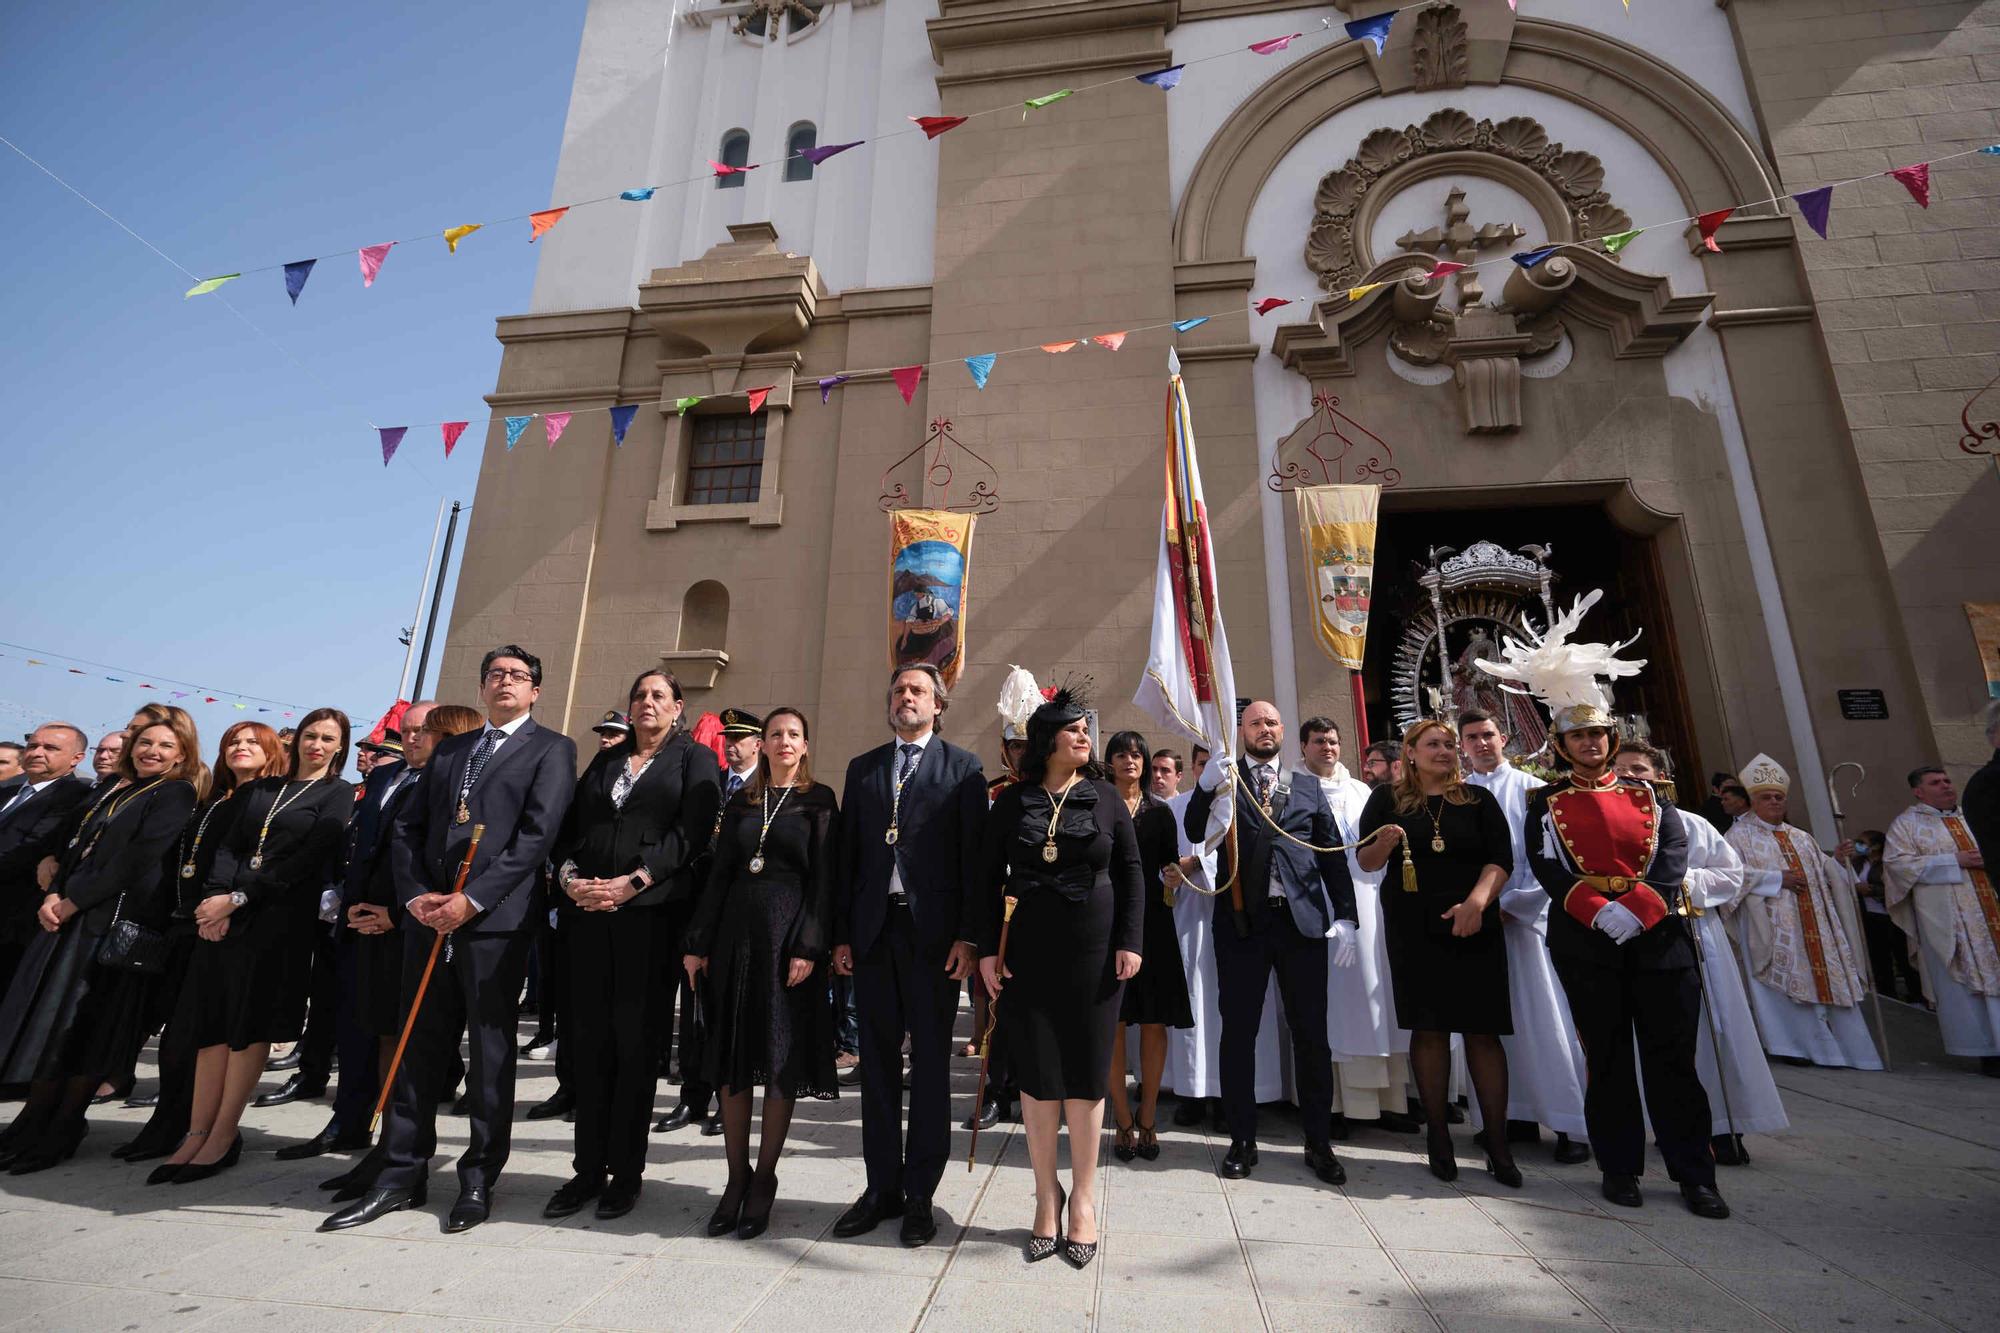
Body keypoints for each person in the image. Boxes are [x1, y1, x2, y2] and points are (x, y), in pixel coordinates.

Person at [1476, 594, 1724, 1217]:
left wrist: (1639, 908)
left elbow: (1671, 857)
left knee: (1673, 1061)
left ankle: (1695, 1173)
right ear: (1561, 744)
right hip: (1587, 943)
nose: (1589, 743)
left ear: (1612, 738)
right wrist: (1594, 911)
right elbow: (1548, 866)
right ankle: (1620, 1167)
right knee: (1607, 1058)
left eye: (1597, 734)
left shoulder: (1651, 796)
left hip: (1660, 940)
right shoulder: (1545, 804)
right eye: (1577, 735)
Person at [324, 646, 576, 1234]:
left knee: (489, 1052)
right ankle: (401, 1174)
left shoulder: (551, 749)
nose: (505, 683)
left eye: (517, 676)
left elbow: (536, 837)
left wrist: (474, 898)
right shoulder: (452, 749)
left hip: (494, 920)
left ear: (535, 691)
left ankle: (479, 1175)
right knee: (418, 1044)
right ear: (483, 688)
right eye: (495, 675)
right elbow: (409, 828)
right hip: (430, 916)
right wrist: (415, 897)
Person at [545, 670, 721, 1221]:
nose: (647, 703)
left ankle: (625, 1172)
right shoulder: (607, 758)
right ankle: (586, 1171)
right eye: (639, 696)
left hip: (649, 917)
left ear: (677, 707)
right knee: (588, 1042)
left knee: (634, 1044)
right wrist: (571, 879)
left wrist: (634, 882)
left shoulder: (694, 760)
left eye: (658, 696)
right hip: (588, 915)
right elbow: (570, 829)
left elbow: (691, 834)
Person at [976, 687, 1142, 1266]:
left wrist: (1131, 941)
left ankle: (1084, 1202)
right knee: (1040, 1077)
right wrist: (985, 954)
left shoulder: (1104, 796)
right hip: (1027, 955)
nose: (1084, 737)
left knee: (1086, 1076)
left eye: (1086, 729)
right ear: (1046, 741)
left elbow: (1130, 870)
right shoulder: (1010, 801)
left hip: (1096, 956)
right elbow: (983, 879)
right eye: (1072, 729)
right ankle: (1046, 1197)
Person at [150, 712, 353, 1185]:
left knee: (247, 1026)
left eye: (328, 739)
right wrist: (215, 903)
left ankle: (223, 1134)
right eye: (310, 736)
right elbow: (228, 848)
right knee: (212, 1027)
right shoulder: (262, 790)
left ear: (340, 747)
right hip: (225, 916)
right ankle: (195, 1133)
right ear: (296, 740)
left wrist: (240, 897)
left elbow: (308, 858)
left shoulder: (338, 794)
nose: (317, 745)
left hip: (279, 921)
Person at [0, 716, 202, 1172]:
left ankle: (64, 1126)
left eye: (164, 745)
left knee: (85, 1032)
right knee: (51, 1031)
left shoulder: (174, 793)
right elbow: (74, 844)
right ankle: (32, 1120)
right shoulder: (120, 788)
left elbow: (135, 861)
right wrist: (54, 889)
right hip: (71, 919)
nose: (151, 750)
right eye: (145, 742)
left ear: (182, 754)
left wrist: (74, 901)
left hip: (107, 927)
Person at [830, 665, 985, 1248]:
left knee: (929, 1070)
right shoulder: (864, 768)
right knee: (875, 1066)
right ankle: (880, 1189)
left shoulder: (962, 768)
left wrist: (969, 938)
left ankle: (921, 1192)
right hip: (873, 936)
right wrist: (842, 934)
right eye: (897, 691)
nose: (906, 698)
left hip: (934, 942)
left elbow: (974, 861)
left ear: (938, 705)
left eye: (917, 691)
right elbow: (848, 858)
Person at [1185, 700, 1358, 1186]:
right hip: (1242, 925)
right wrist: (1202, 787)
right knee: (1238, 1034)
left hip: (1301, 926)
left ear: (1285, 731)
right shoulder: (1225, 781)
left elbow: (1331, 855)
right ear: (1241, 730)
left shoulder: (1306, 785)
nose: (1266, 729)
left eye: (1273, 722)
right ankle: (1242, 1139)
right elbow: (1195, 831)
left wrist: (1345, 915)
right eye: (1256, 723)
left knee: (1311, 1037)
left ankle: (1318, 1143)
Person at [684, 707, 837, 1238]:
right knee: (732, 1055)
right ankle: (735, 1176)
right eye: (776, 735)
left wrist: (809, 946)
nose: (784, 742)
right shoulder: (741, 800)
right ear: (763, 745)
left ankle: (766, 1177)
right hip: (734, 940)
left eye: (794, 734)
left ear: (806, 745)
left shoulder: (819, 801)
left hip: (787, 941)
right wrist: (698, 943)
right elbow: (720, 875)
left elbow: (823, 882)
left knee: (776, 1057)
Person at [1355, 719, 1518, 1186]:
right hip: (1414, 930)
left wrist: (1477, 904)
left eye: (1450, 745)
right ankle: (1439, 1137)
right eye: (1434, 745)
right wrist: (1382, 846)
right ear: (1410, 752)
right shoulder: (1386, 799)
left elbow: (1500, 858)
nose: (1445, 751)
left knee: (1483, 1033)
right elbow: (1365, 862)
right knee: (1428, 1029)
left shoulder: (1478, 800)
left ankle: (1498, 1143)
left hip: (1474, 924)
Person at [1613, 741, 1788, 1164]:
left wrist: (1673, 883)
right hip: (1636, 940)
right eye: (1621, 769)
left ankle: (1726, 1126)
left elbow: (1730, 876)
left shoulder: (1691, 824)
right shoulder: (1609, 826)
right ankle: (1672, 1124)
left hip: (1695, 934)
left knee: (1715, 1031)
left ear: (1659, 775)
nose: (1631, 776)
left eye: (1639, 768)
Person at [277, 705, 430, 1161]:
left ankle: (391, 1140)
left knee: (393, 1037)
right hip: (358, 922)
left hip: (404, 925)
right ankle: (347, 1121)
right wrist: (345, 898)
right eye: (408, 731)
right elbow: (361, 847)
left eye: (424, 731)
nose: (413, 738)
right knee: (355, 1030)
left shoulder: (445, 781)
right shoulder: (386, 778)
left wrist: (396, 913)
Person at [1458, 709, 1590, 1165]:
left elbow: (1550, 855)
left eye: (1488, 735)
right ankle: (1510, 1117)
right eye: (1471, 737)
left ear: (1505, 737)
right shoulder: (1461, 794)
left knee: (1544, 1021)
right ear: (1462, 744)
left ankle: (1569, 1121)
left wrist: (1514, 905)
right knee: (1493, 1024)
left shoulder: (1533, 791)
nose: (1480, 743)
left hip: (1529, 922)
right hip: (1479, 925)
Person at [1724, 755, 1881, 1070]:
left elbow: (1829, 876)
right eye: (1766, 797)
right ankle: (1790, 1045)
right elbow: (1730, 877)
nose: (1773, 802)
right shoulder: (1737, 837)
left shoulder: (1803, 837)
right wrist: (1775, 879)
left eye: (1778, 797)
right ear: (1752, 801)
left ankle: (1843, 1050)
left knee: (1828, 980)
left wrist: (1837, 861)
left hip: (1817, 927)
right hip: (1773, 927)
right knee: (1780, 985)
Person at [1303, 715, 1417, 1139]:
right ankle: (1330, 1102)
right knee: (1330, 1003)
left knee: (1376, 999)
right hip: (1321, 907)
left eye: (1332, 740)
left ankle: (1385, 1102)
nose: (1328, 748)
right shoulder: (1295, 792)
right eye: (1318, 741)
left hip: (1370, 904)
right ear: (1304, 748)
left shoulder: (1362, 791)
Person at [1163, 741, 1284, 1131]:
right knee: (1195, 1007)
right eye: (1200, 764)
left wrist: (1199, 861)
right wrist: (1170, 870)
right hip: (1190, 918)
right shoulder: (1177, 807)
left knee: (1234, 1013)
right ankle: (1193, 1092)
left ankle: (1235, 1097)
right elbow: (1160, 852)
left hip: (1239, 918)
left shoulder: (1245, 798)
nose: (1205, 770)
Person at [655, 708, 760, 1137]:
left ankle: (729, 1099)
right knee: (695, 1010)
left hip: (740, 916)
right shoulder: (709, 783)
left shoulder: (764, 790)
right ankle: (692, 1097)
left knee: (732, 1014)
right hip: (698, 912)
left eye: (740, 738)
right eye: (727, 738)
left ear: (758, 744)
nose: (731, 745)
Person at [1101, 729, 1190, 1162]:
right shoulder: (1095, 803)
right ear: (1109, 761)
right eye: (1121, 754)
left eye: (1136, 755)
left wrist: (1173, 873)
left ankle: (1149, 1114)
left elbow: (1169, 862)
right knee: (1112, 1023)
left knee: (1154, 1022)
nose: (1129, 761)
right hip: (1105, 927)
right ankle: (1121, 1118)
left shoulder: (1161, 813)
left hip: (1153, 925)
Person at [1884, 765, 2000, 1076]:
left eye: (1947, 780)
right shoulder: (1907, 825)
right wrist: (1954, 861)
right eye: (1936, 782)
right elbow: (1897, 866)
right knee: (1970, 982)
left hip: (1991, 907)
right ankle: (1988, 1051)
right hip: (1954, 921)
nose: (1946, 786)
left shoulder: (1974, 815)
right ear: (1918, 792)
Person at [0, 725, 92, 997]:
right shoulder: (8, 789)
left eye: (50, 748)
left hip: (14, 917)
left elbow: (30, 851)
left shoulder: (76, 797)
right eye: (33, 746)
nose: (38, 753)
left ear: (76, 758)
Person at [1850, 829, 1921, 1002]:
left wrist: (1872, 890)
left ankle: (1916, 994)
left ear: (1876, 846)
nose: (1858, 845)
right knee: (1878, 956)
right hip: (1869, 916)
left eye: (1862, 842)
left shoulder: (1887, 863)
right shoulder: (1857, 863)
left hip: (1889, 914)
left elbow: (1896, 887)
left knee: (1901, 954)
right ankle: (1887, 993)